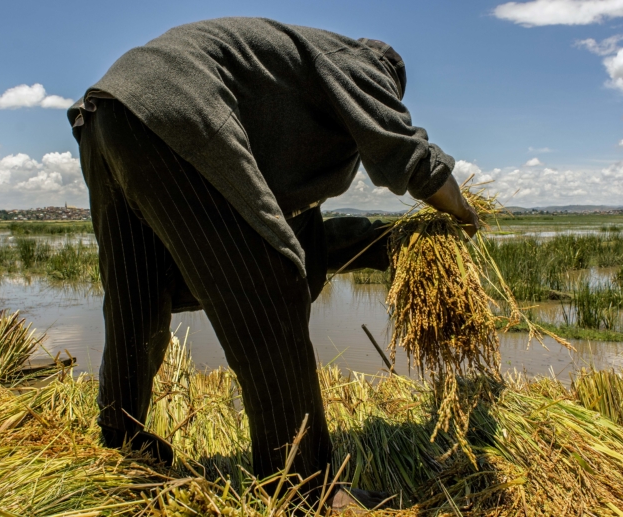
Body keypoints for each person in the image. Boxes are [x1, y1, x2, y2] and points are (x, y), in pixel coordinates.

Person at [68, 17, 479, 510]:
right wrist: (464, 215)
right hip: (177, 106)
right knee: (271, 298)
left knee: (138, 293)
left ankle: (122, 446)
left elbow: (300, 236)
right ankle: (303, 488)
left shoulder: (282, 96)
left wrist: (390, 244)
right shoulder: (361, 63)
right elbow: (411, 157)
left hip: (107, 114)